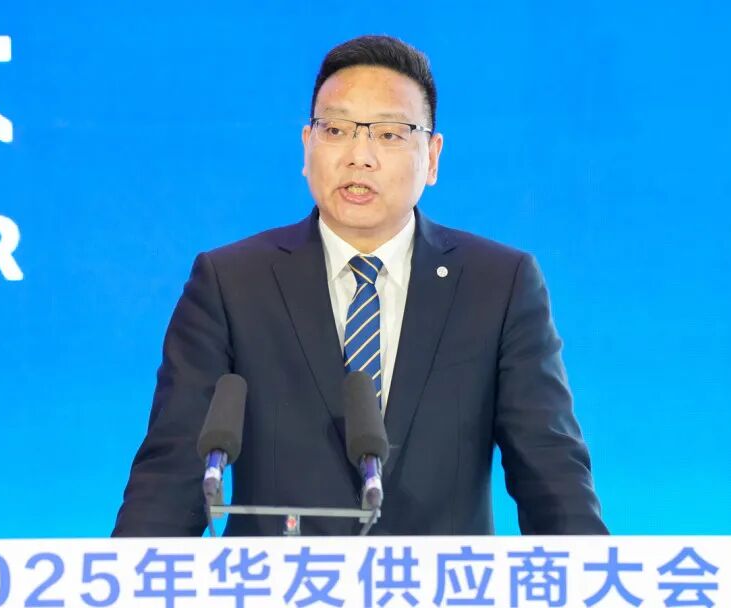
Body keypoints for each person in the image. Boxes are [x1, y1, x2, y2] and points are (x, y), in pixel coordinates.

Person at [112, 35, 607, 536]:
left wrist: (594, 571)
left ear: (433, 156)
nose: (359, 156)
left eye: (390, 134)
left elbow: (551, 474)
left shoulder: (497, 285)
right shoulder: (231, 283)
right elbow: (171, 478)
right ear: (307, 146)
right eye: (336, 129)